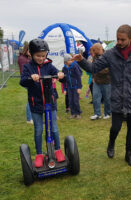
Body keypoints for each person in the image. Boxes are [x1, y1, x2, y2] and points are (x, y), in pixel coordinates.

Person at [72, 24, 131, 167]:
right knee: (115, 127)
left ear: (130, 38)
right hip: (117, 97)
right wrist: (82, 61)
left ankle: (129, 154)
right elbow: (93, 68)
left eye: (122, 40)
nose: (119, 42)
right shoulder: (110, 54)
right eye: (118, 39)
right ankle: (111, 143)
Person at [20, 38, 65, 168]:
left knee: (54, 128)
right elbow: (22, 81)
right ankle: (39, 154)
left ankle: (57, 150)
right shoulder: (28, 67)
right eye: (38, 56)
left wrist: (60, 75)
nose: (41, 58)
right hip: (36, 104)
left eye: (43, 56)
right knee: (38, 129)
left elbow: (58, 74)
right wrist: (30, 78)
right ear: (32, 54)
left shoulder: (49, 65)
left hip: (50, 102)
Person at [90, 43, 111, 120]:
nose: (94, 52)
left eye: (95, 50)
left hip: (107, 81)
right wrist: (93, 76)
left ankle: (107, 113)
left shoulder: (108, 56)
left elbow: (108, 69)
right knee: (95, 97)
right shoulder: (95, 57)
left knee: (107, 98)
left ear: (99, 49)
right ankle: (97, 114)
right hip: (96, 81)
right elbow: (93, 67)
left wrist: (98, 71)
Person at [62, 54, 82, 119]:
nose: (71, 61)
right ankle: (73, 113)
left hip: (75, 86)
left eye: (71, 59)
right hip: (69, 87)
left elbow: (78, 77)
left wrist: (79, 87)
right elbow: (64, 80)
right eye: (69, 60)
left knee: (76, 100)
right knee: (70, 101)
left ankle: (78, 113)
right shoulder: (64, 68)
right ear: (65, 62)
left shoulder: (75, 66)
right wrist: (64, 89)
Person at [18, 44, 33, 124]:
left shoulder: (25, 58)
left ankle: (31, 117)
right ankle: (29, 118)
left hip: (29, 80)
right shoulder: (23, 59)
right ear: (27, 50)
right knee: (30, 99)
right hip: (28, 80)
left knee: (32, 98)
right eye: (30, 51)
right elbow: (25, 71)